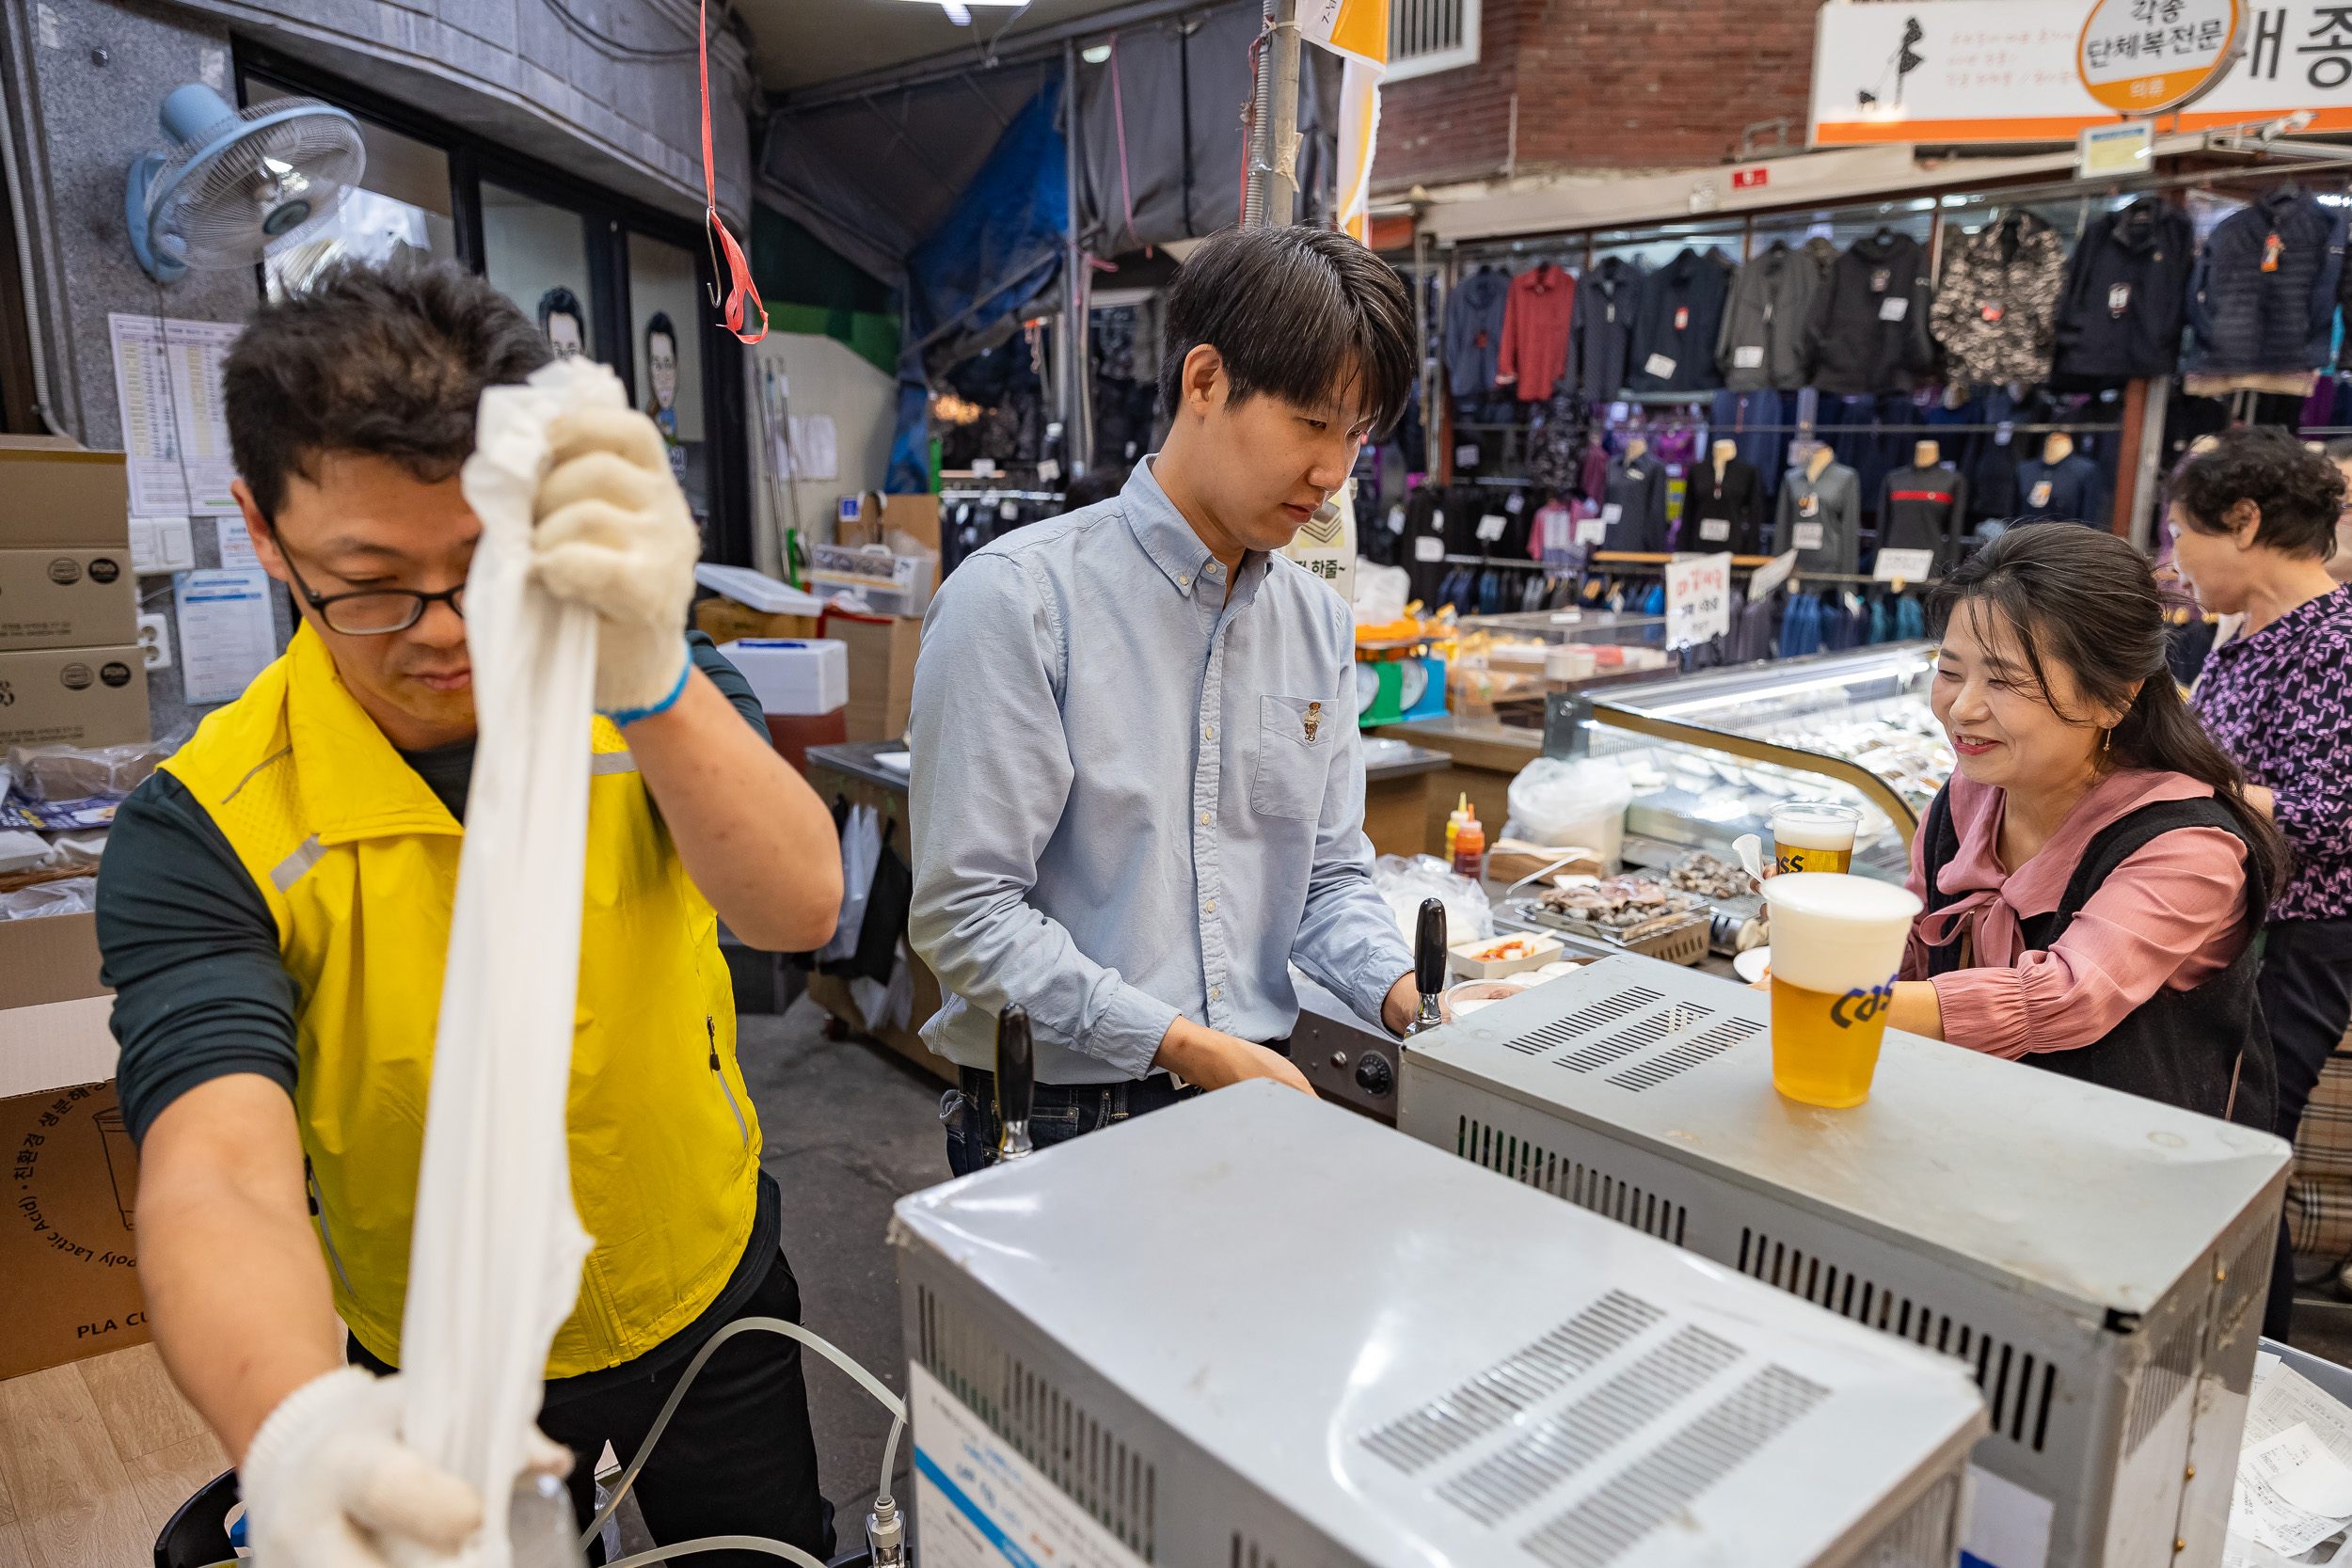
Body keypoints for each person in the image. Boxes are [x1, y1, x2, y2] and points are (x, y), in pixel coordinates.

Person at [98, 261, 844, 1566]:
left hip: (704, 1286)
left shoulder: (631, 658)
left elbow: (798, 905)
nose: (446, 633)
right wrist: (301, 1429)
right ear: (263, 533)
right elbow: (219, 1165)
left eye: (482, 565)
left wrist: (655, 672)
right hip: (441, 1348)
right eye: (371, 580)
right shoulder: (207, 821)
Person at [908, 226, 1422, 1174]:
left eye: (1356, 434)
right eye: (1312, 423)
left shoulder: (1314, 622)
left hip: (1253, 1084)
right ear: (1204, 381)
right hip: (1057, 1117)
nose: (1333, 472)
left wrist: (1410, 994)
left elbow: (1326, 878)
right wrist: (1183, 1044)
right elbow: (966, 914)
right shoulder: (1019, 598)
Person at [1878, 524, 2284, 1132]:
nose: (1961, 708)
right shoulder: (1964, 799)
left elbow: (2068, 995)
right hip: (1976, 1134)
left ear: (2113, 699)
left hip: (2135, 1170)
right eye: (1950, 669)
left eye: (2006, 680)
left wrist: (1848, 1007)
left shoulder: (2188, 845)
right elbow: (1910, 944)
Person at [2170, 427, 2352, 1334]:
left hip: (2305, 934)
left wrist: (2181, 782)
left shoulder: (2337, 641)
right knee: (2232, 1141)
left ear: (2242, 522)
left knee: (2248, 1149)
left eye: (2180, 533)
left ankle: (2259, 1363)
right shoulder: (2246, 633)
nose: (2176, 558)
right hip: (2244, 920)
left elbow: (2330, 814)